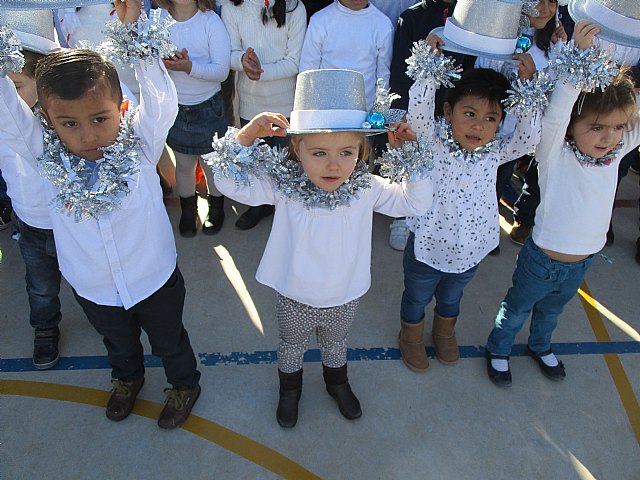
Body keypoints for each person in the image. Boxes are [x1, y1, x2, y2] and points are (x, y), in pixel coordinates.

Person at [0, 1, 201, 428]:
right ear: (47, 122)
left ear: (122, 111)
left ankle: (184, 383)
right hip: (94, 286)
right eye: (68, 123)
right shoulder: (44, 157)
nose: (88, 134)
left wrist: (136, 34)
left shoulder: (142, 142)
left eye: (99, 118)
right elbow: (10, 122)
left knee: (171, 341)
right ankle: (127, 379)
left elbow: (162, 101)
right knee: (118, 343)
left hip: (154, 277)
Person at [206, 69, 434, 427]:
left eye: (346, 152)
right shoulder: (282, 187)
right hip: (295, 296)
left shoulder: (366, 188)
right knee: (292, 347)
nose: (333, 164)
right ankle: (290, 391)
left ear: (362, 150)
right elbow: (228, 182)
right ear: (296, 149)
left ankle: (337, 382)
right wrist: (247, 135)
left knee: (335, 344)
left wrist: (412, 155)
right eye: (319, 152)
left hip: (344, 295)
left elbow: (414, 203)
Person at [485, 21, 640, 387]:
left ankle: (540, 346)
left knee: (552, 311)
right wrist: (578, 59)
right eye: (598, 127)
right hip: (542, 260)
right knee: (516, 308)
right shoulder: (553, 153)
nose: (609, 137)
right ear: (572, 127)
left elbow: (633, 119)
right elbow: (557, 113)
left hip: (581, 262)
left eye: (618, 128)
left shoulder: (616, 157)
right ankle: (499, 349)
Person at [397, 35, 543, 373]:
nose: (479, 125)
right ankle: (411, 335)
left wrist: (528, 85)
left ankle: (444, 332)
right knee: (417, 296)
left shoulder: (495, 151)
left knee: (451, 298)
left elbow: (529, 137)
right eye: (469, 113)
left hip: (470, 248)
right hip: (427, 244)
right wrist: (429, 69)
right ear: (448, 111)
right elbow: (417, 113)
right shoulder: (432, 140)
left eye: (491, 118)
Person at [0, 10, 63, 369]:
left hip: (71, 221)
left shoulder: (65, 120)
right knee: (40, 288)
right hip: (30, 224)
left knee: (89, 280)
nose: (10, 97)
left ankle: (109, 319)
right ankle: (44, 330)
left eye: (17, 86)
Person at [221, 0, 307, 230]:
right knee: (258, 160)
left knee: (288, 161)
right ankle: (259, 205)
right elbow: (227, 53)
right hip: (250, 102)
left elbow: (294, 61)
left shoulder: (294, 7)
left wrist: (261, 71)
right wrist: (242, 61)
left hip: (286, 102)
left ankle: (288, 207)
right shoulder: (232, 8)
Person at [387, 0, 461, 251]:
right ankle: (401, 215)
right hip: (416, 106)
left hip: (454, 111)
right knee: (412, 156)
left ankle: (438, 216)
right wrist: (400, 112)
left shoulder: (466, 16)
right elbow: (399, 71)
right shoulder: (412, 18)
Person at [156, 0, 231, 237]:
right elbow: (151, 62)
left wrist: (188, 66)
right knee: (184, 165)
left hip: (208, 107)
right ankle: (188, 210)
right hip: (176, 107)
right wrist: (166, 64)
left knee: (211, 165)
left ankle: (216, 208)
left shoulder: (211, 21)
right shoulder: (158, 19)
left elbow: (221, 71)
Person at [299, 0, 394, 112]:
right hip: (325, 113)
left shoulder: (383, 24)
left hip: (365, 116)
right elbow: (307, 72)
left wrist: (378, 114)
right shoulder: (320, 20)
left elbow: (384, 75)